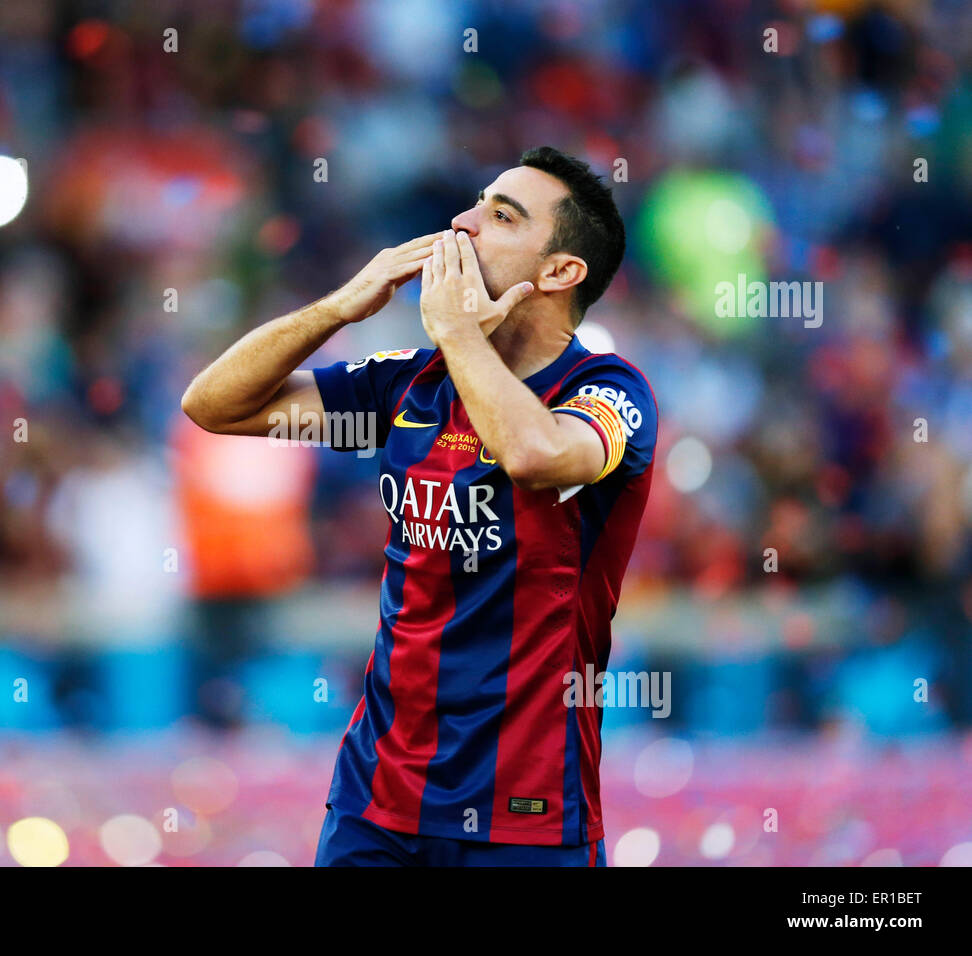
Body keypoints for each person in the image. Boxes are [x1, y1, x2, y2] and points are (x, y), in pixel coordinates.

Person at [182, 147, 657, 866]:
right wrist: (344, 305)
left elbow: (536, 456)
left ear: (561, 272)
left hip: (525, 816)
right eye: (476, 203)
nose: (462, 224)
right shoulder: (409, 387)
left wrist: (460, 333)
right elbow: (214, 405)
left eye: (501, 216)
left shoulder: (611, 391)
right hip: (377, 802)